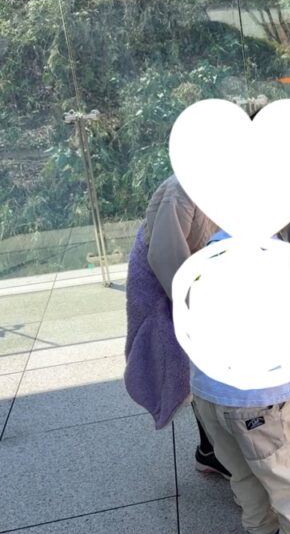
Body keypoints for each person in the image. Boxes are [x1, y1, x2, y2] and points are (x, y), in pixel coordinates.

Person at [190, 230, 290, 534]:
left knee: (243, 475)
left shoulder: (209, 251)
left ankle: (262, 529)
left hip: (208, 395)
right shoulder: (276, 257)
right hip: (258, 402)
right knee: (285, 478)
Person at [124, 174, 231, 478]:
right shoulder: (182, 189)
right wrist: (198, 306)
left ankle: (213, 449)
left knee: (206, 365)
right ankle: (215, 451)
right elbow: (166, 258)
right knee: (193, 364)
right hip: (168, 282)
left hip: (205, 272)